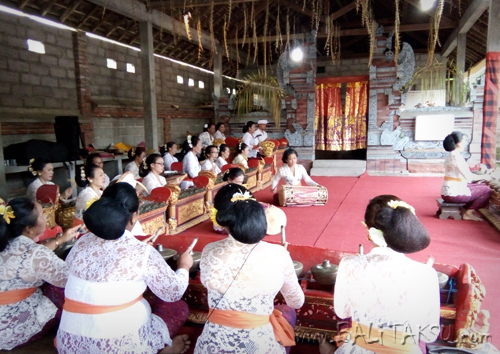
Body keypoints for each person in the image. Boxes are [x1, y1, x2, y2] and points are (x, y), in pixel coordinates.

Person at [56, 183, 193, 354]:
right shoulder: (142, 252)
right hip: (118, 346)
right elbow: (173, 292)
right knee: (177, 307)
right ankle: (162, 349)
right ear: (134, 216)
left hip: (70, 343)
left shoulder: (80, 242)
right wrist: (184, 266)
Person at [319, 195, 440, 354]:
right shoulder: (426, 274)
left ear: (368, 231)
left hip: (359, 348)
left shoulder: (349, 264)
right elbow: (429, 334)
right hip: (404, 349)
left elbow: (343, 312)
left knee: (344, 332)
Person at [195, 187, 304, 354]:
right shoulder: (278, 254)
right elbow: (296, 302)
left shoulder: (210, 250)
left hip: (213, 344)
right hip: (259, 344)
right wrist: (282, 259)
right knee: (287, 312)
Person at [0, 197, 80, 350]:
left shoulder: (6, 243)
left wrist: (61, 240)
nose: (46, 217)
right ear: (29, 228)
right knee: (63, 288)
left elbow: (28, 257)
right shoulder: (35, 253)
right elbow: (69, 279)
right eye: (42, 215)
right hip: (11, 327)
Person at [441, 131, 491, 221]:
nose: (465, 143)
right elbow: (470, 177)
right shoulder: (457, 157)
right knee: (486, 190)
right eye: (464, 141)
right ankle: (468, 213)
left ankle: (465, 210)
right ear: (459, 143)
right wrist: (486, 177)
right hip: (453, 194)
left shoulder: (451, 155)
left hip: (447, 191)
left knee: (477, 186)